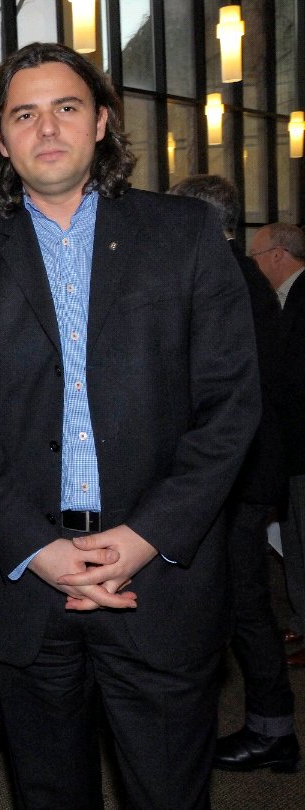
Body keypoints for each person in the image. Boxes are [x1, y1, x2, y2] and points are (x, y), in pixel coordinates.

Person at [0, 43, 260, 810]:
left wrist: (145, 537)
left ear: (102, 122)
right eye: (24, 113)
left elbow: (231, 406)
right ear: (1, 140)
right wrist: (39, 549)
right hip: (30, 591)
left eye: (67, 106)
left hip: (159, 582)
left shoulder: (183, 236)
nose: (46, 127)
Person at [167, 176, 298, 772]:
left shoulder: (224, 279)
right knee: (236, 601)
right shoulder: (242, 276)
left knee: (244, 603)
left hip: (237, 478)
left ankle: (273, 731)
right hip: (246, 474)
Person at [250, 223, 305, 669]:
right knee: (295, 540)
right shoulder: (286, 299)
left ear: (276, 254)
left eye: (255, 255)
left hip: (302, 445)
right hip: (292, 448)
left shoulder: (301, 298)